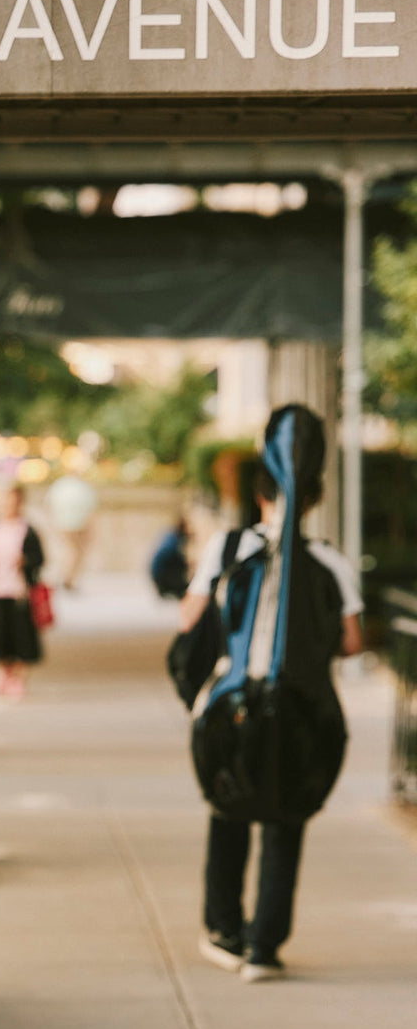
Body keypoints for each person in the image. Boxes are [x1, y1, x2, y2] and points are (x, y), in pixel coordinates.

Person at [178, 405, 363, 982]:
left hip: (231, 707)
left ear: (261, 495)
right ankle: (265, 947)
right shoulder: (330, 560)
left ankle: (223, 929)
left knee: (228, 809)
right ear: (312, 499)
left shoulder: (227, 548)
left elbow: (191, 620)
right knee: (287, 819)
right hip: (305, 713)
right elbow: (352, 643)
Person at [0, 483, 45, 698]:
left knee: (21, 637)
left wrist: (26, 561)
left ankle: (18, 678)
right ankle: (4, 675)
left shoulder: (27, 529)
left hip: (19, 591)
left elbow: (40, 559)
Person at [45, 473, 97, 590]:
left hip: (65, 523)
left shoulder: (60, 486)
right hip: (76, 525)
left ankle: (68, 578)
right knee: (73, 552)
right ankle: (67, 578)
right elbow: (91, 508)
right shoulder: (83, 488)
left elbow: (48, 504)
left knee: (70, 551)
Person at [150, 516, 190, 599]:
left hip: (159, 578)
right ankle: (169, 588)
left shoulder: (170, 535)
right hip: (161, 578)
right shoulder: (174, 541)